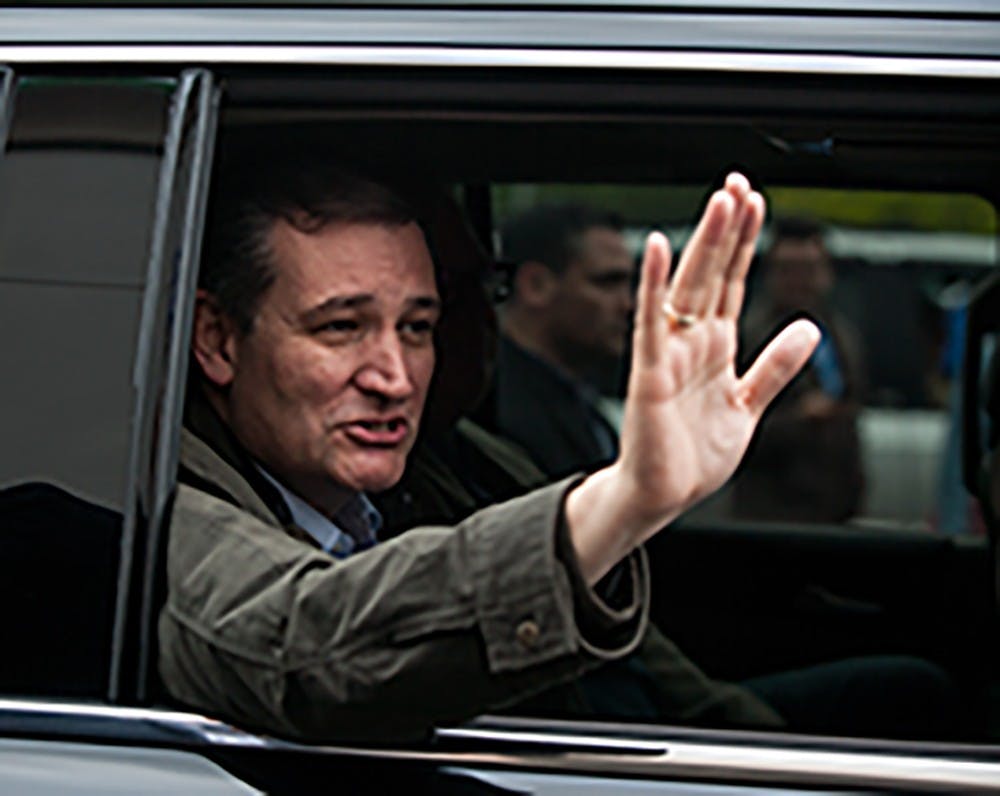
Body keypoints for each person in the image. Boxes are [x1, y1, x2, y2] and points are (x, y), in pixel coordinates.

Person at [158, 158, 821, 743]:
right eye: (341, 328)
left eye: (417, 328)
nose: (394, 377)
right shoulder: (164, 506)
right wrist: (622, 501)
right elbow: (307, 647)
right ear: (217, 338)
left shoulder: (437, 469)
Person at [734, 216, 866, 523]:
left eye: (809, 269)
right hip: (771, 510)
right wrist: (798, 420)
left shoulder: (840, 334)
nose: (800, 281)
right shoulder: (749, 338)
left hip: (835, 506)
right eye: (788, 270)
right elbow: (730, 434)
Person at [493, 204, 635, 478]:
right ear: (535, 285)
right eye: (606, 283)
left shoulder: (577, 402)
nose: (628, 304)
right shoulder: (502, 410)